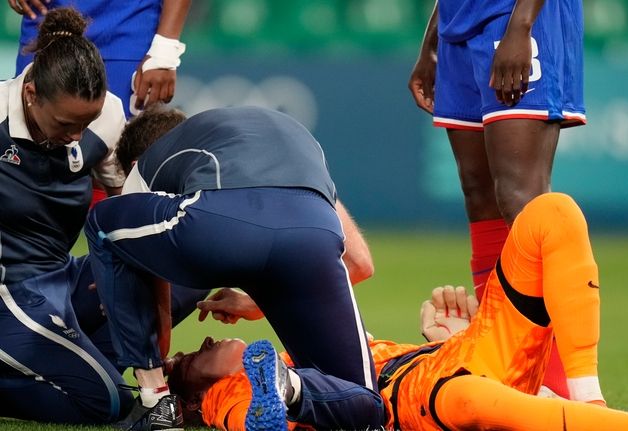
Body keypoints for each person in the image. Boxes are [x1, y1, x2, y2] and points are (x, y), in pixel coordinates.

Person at [167, 211, 628, 431]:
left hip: (460, 356)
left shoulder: (290, 350)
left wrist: (442, 339)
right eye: (194, 355)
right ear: (198, 392)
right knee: (467, 397)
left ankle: (590, 402)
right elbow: (253, 422)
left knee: (552, 216)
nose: (210, 338)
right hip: (426, 406)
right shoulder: (229, 397)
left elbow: (332, 285)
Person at [83, 105, 384, 430]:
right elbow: (359, 263)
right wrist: (257, 302)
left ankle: (155, 402)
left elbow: (160, 325)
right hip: (315, 232)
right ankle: (288, 385)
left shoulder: (146, 166)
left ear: (132, 164)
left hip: (222, 228)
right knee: (363, 402)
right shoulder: (273, 139)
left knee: (102, 223)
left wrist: (123, 289)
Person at [408, 0, 588, 398]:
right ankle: (512, 367)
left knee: (520, 196)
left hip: (518, 17)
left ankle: (563, 383)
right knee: (480, 193)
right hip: (460, 25)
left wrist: (521, 25)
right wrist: (432, 41)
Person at [0, 7, 133, 425]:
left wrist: (122, 273)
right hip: (9, 294)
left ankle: (60, 360)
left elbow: (119, 201)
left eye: (86, 123)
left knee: (177, 273)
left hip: (63, 280)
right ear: (31, 94)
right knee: (113, 402)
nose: (77, 136)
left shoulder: (109, 114)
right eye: (65, 123)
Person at [10, 0, 191, 118]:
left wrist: (165, 48)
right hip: (45, 17)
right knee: (26, 147)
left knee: (117, 161)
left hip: (126, 24)